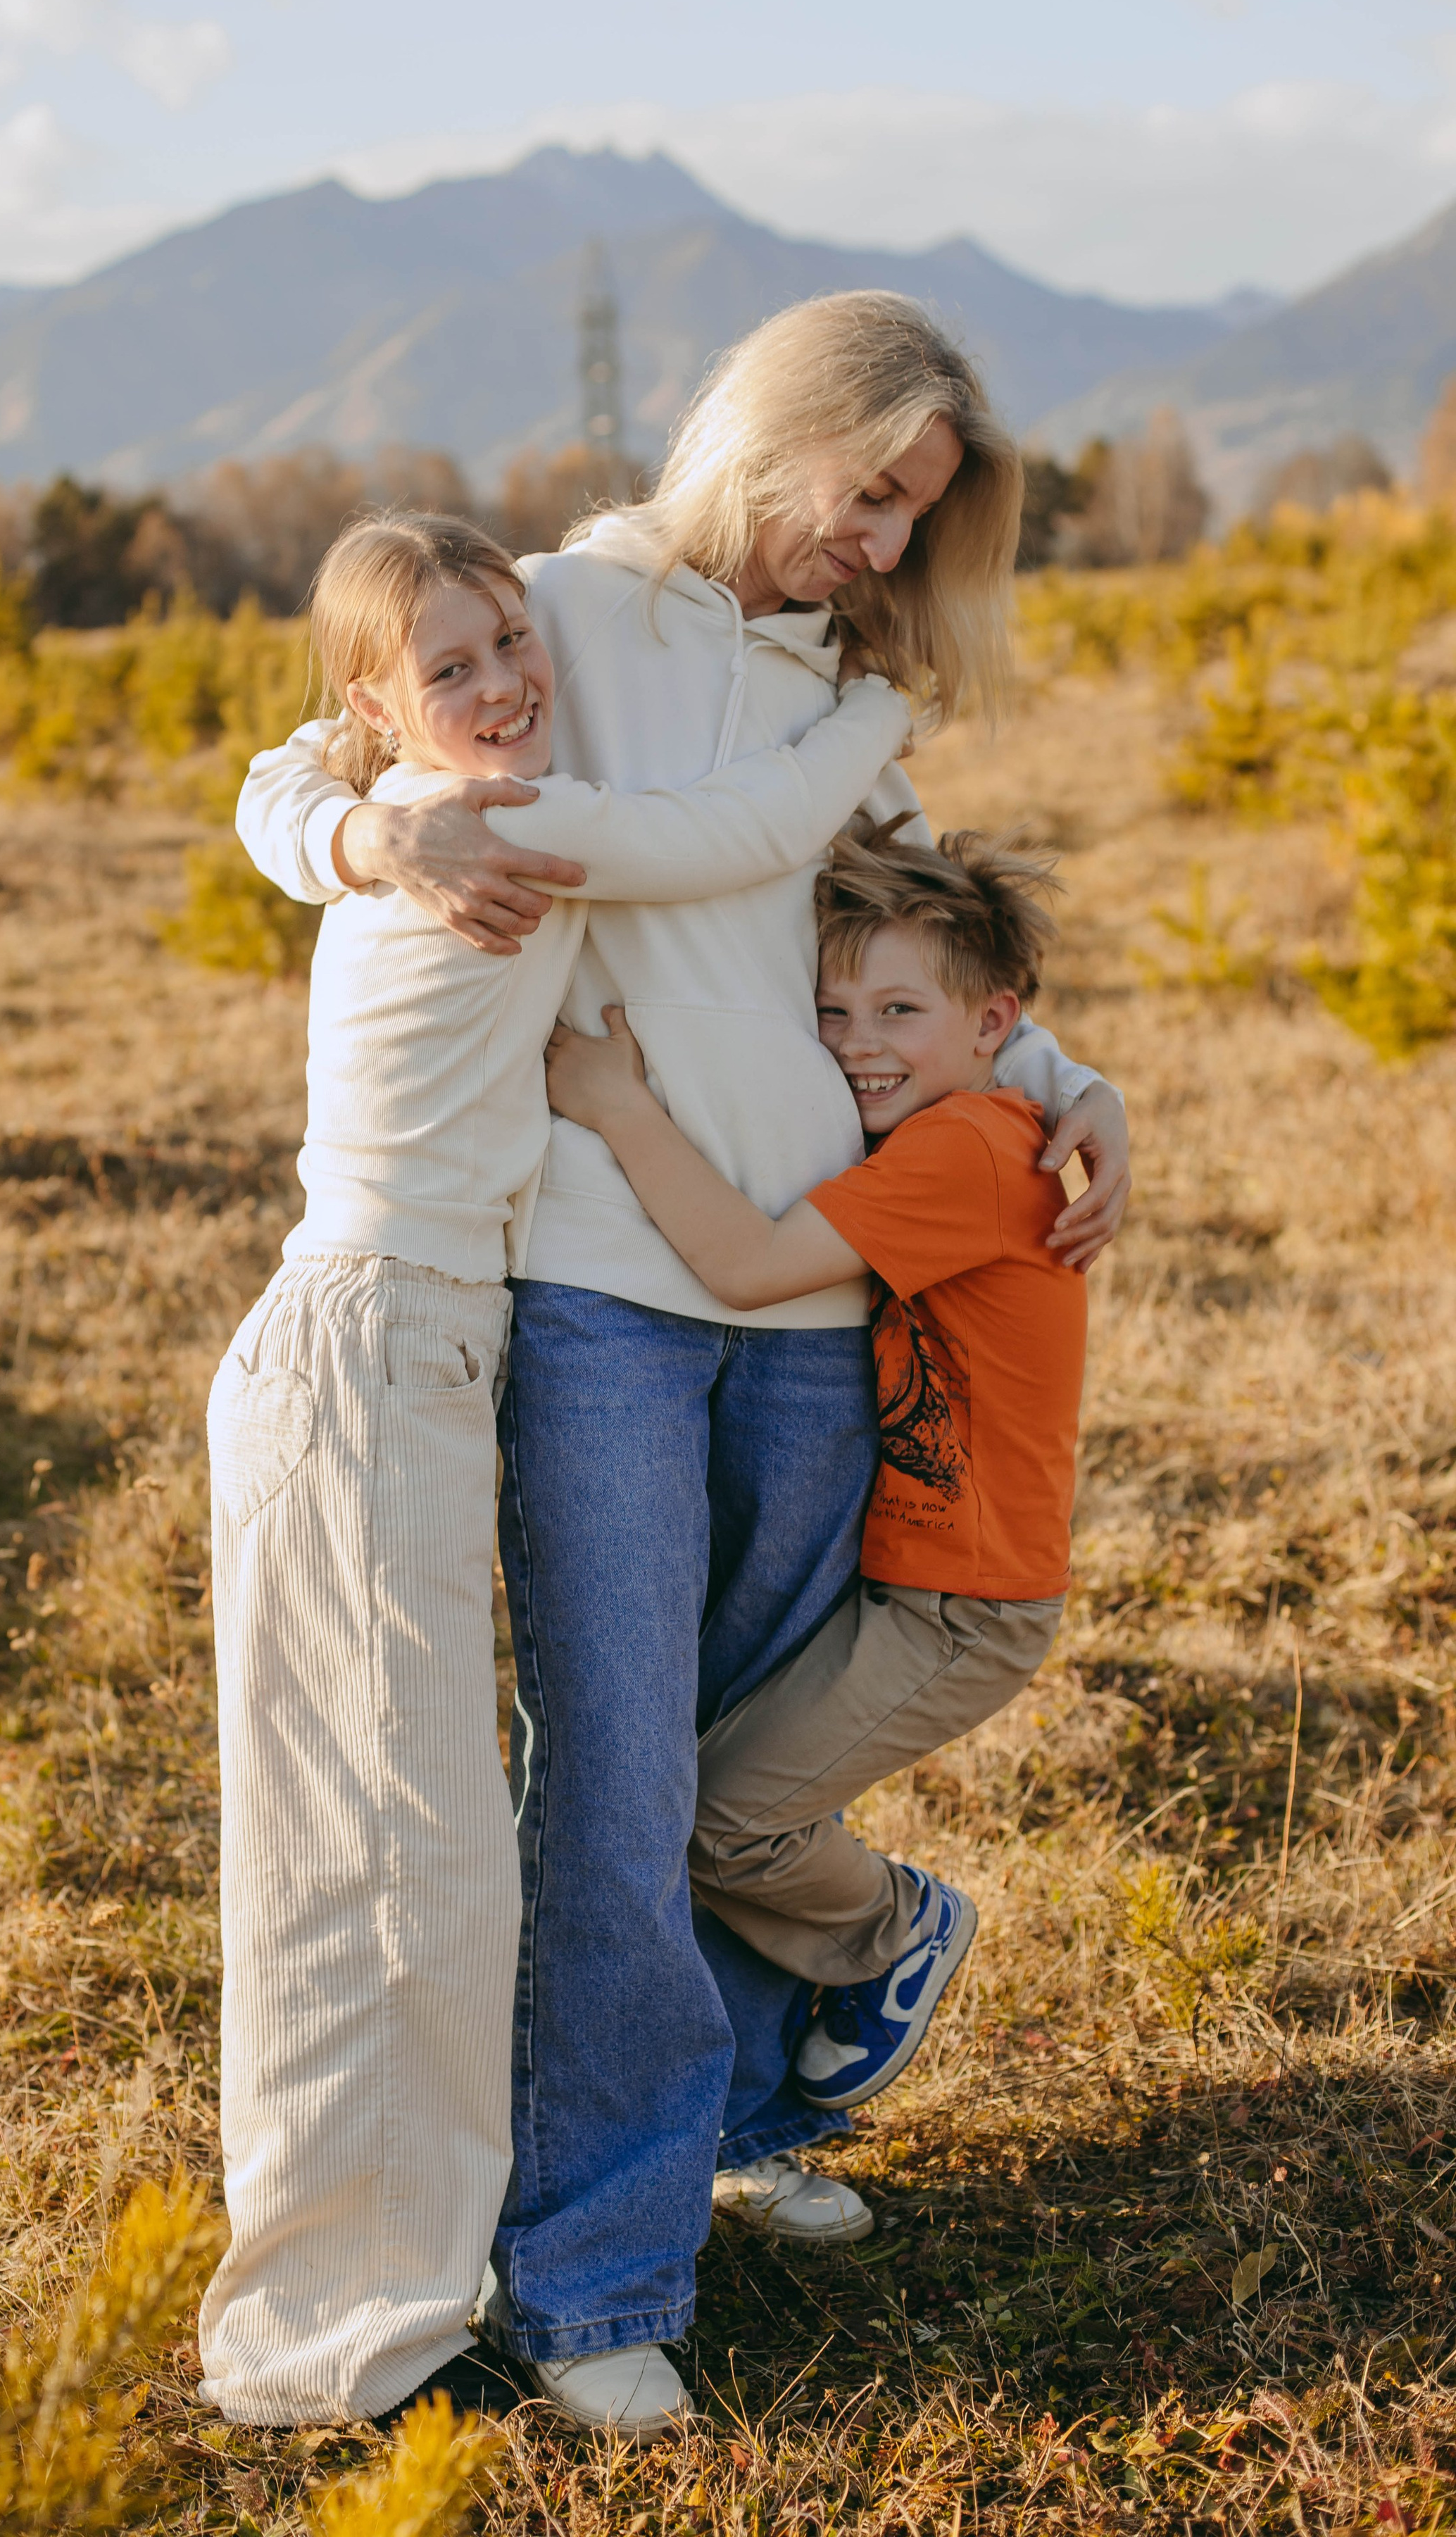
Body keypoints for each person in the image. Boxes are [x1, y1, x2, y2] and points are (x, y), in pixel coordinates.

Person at [235, 292, 1131, 2442]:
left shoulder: (838, 688)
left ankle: (727, 2139)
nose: (885, 547)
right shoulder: (549, 613)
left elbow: (922, 927)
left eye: (921, 524)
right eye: (875, 493)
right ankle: (598, 2270)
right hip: (609, 1301)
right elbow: (287, 775)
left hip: (817, 1314)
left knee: (741, 1770)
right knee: (620, 1787)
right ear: (782, 428)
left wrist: (1078, 1075)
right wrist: (378, 838)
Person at [197, 508, 919, 2430]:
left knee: (414, 1856)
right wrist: (883, 701)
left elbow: (295, 785)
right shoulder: (495, 834)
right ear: (377, 703)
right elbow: (750, 837)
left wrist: (356, 813)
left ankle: (393, 2301)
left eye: (516, 640)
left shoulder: (472, 805)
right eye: (453, 665)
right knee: (380, 1865)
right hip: (364, 1348)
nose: (509, 681)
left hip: (425, 1348)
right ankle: (337, 2347)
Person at [545, 815, 1087, 2117]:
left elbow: (742, 1261)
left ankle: (895, 1930)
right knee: (720, 1784)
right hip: (913, 1581)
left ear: (992, 1023)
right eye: (833, 1011)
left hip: (964, 1609)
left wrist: (620, 1106)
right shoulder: (952, 1129)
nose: (855, 1044)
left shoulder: (963, 1151)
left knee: (726, 1819)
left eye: (898, 1010)